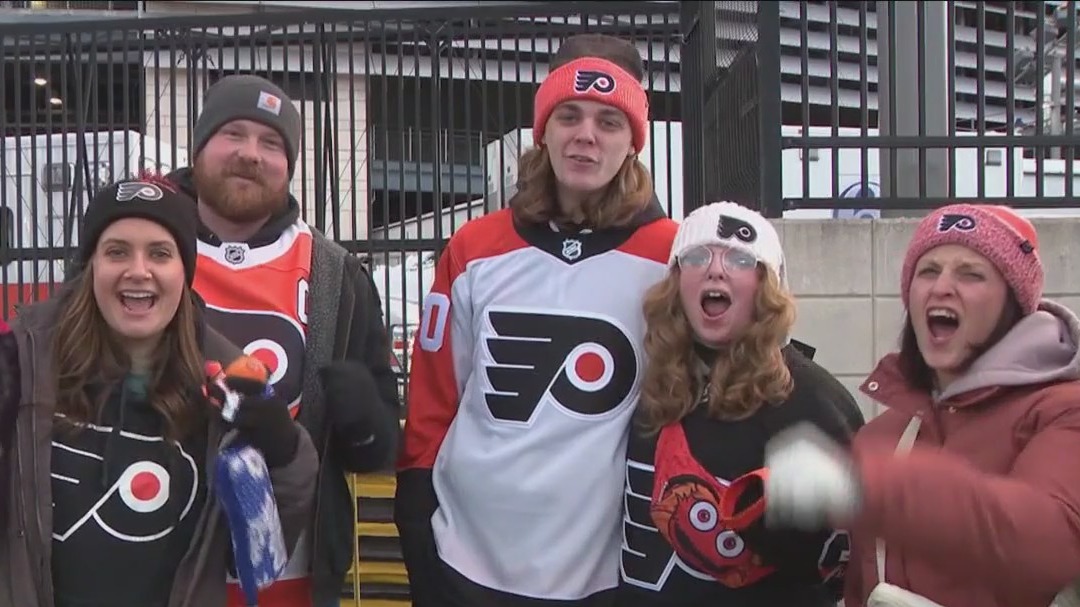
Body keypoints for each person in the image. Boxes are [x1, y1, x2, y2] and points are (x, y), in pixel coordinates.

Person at [394, 33, 679, 607]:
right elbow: (434, 398)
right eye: (568, 115)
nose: (585, 136)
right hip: (466, 558)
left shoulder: (671, 256)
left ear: (633, 144)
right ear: (542, 129)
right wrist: (415, 512)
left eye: (609, 121)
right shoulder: (475, 247)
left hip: (600, 571)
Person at [0, 175, 319, 607]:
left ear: (184, 272)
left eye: (160, 253)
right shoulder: (24, 361)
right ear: (91, 264)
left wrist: (282, 450)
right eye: (116, 251)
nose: (138, 270)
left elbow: (255, 558)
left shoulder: (227, 381)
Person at [761, 204, 1080, 607]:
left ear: (1013, 303)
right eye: (928, 271)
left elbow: (1043, 542)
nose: (941, 287)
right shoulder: (882, 438)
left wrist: (873, 488)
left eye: (971, 274)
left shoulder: (1063, 413)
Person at [164, 74, 402, 607]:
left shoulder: (335, 276)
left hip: (285, 575)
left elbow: (380, 446)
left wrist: (364, 422)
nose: (251, 154)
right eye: (234, 134)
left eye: (271, 143)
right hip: (155, 557)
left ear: (289, 166)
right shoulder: (145, 251)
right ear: (200, 146)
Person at [617, 201, 864, 606]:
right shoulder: (657, 381)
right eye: (696, 257)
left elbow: (848, 563)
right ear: (676, 284)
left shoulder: (811, 401)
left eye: (741, 259)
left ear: (767, 287)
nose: (716, 269)